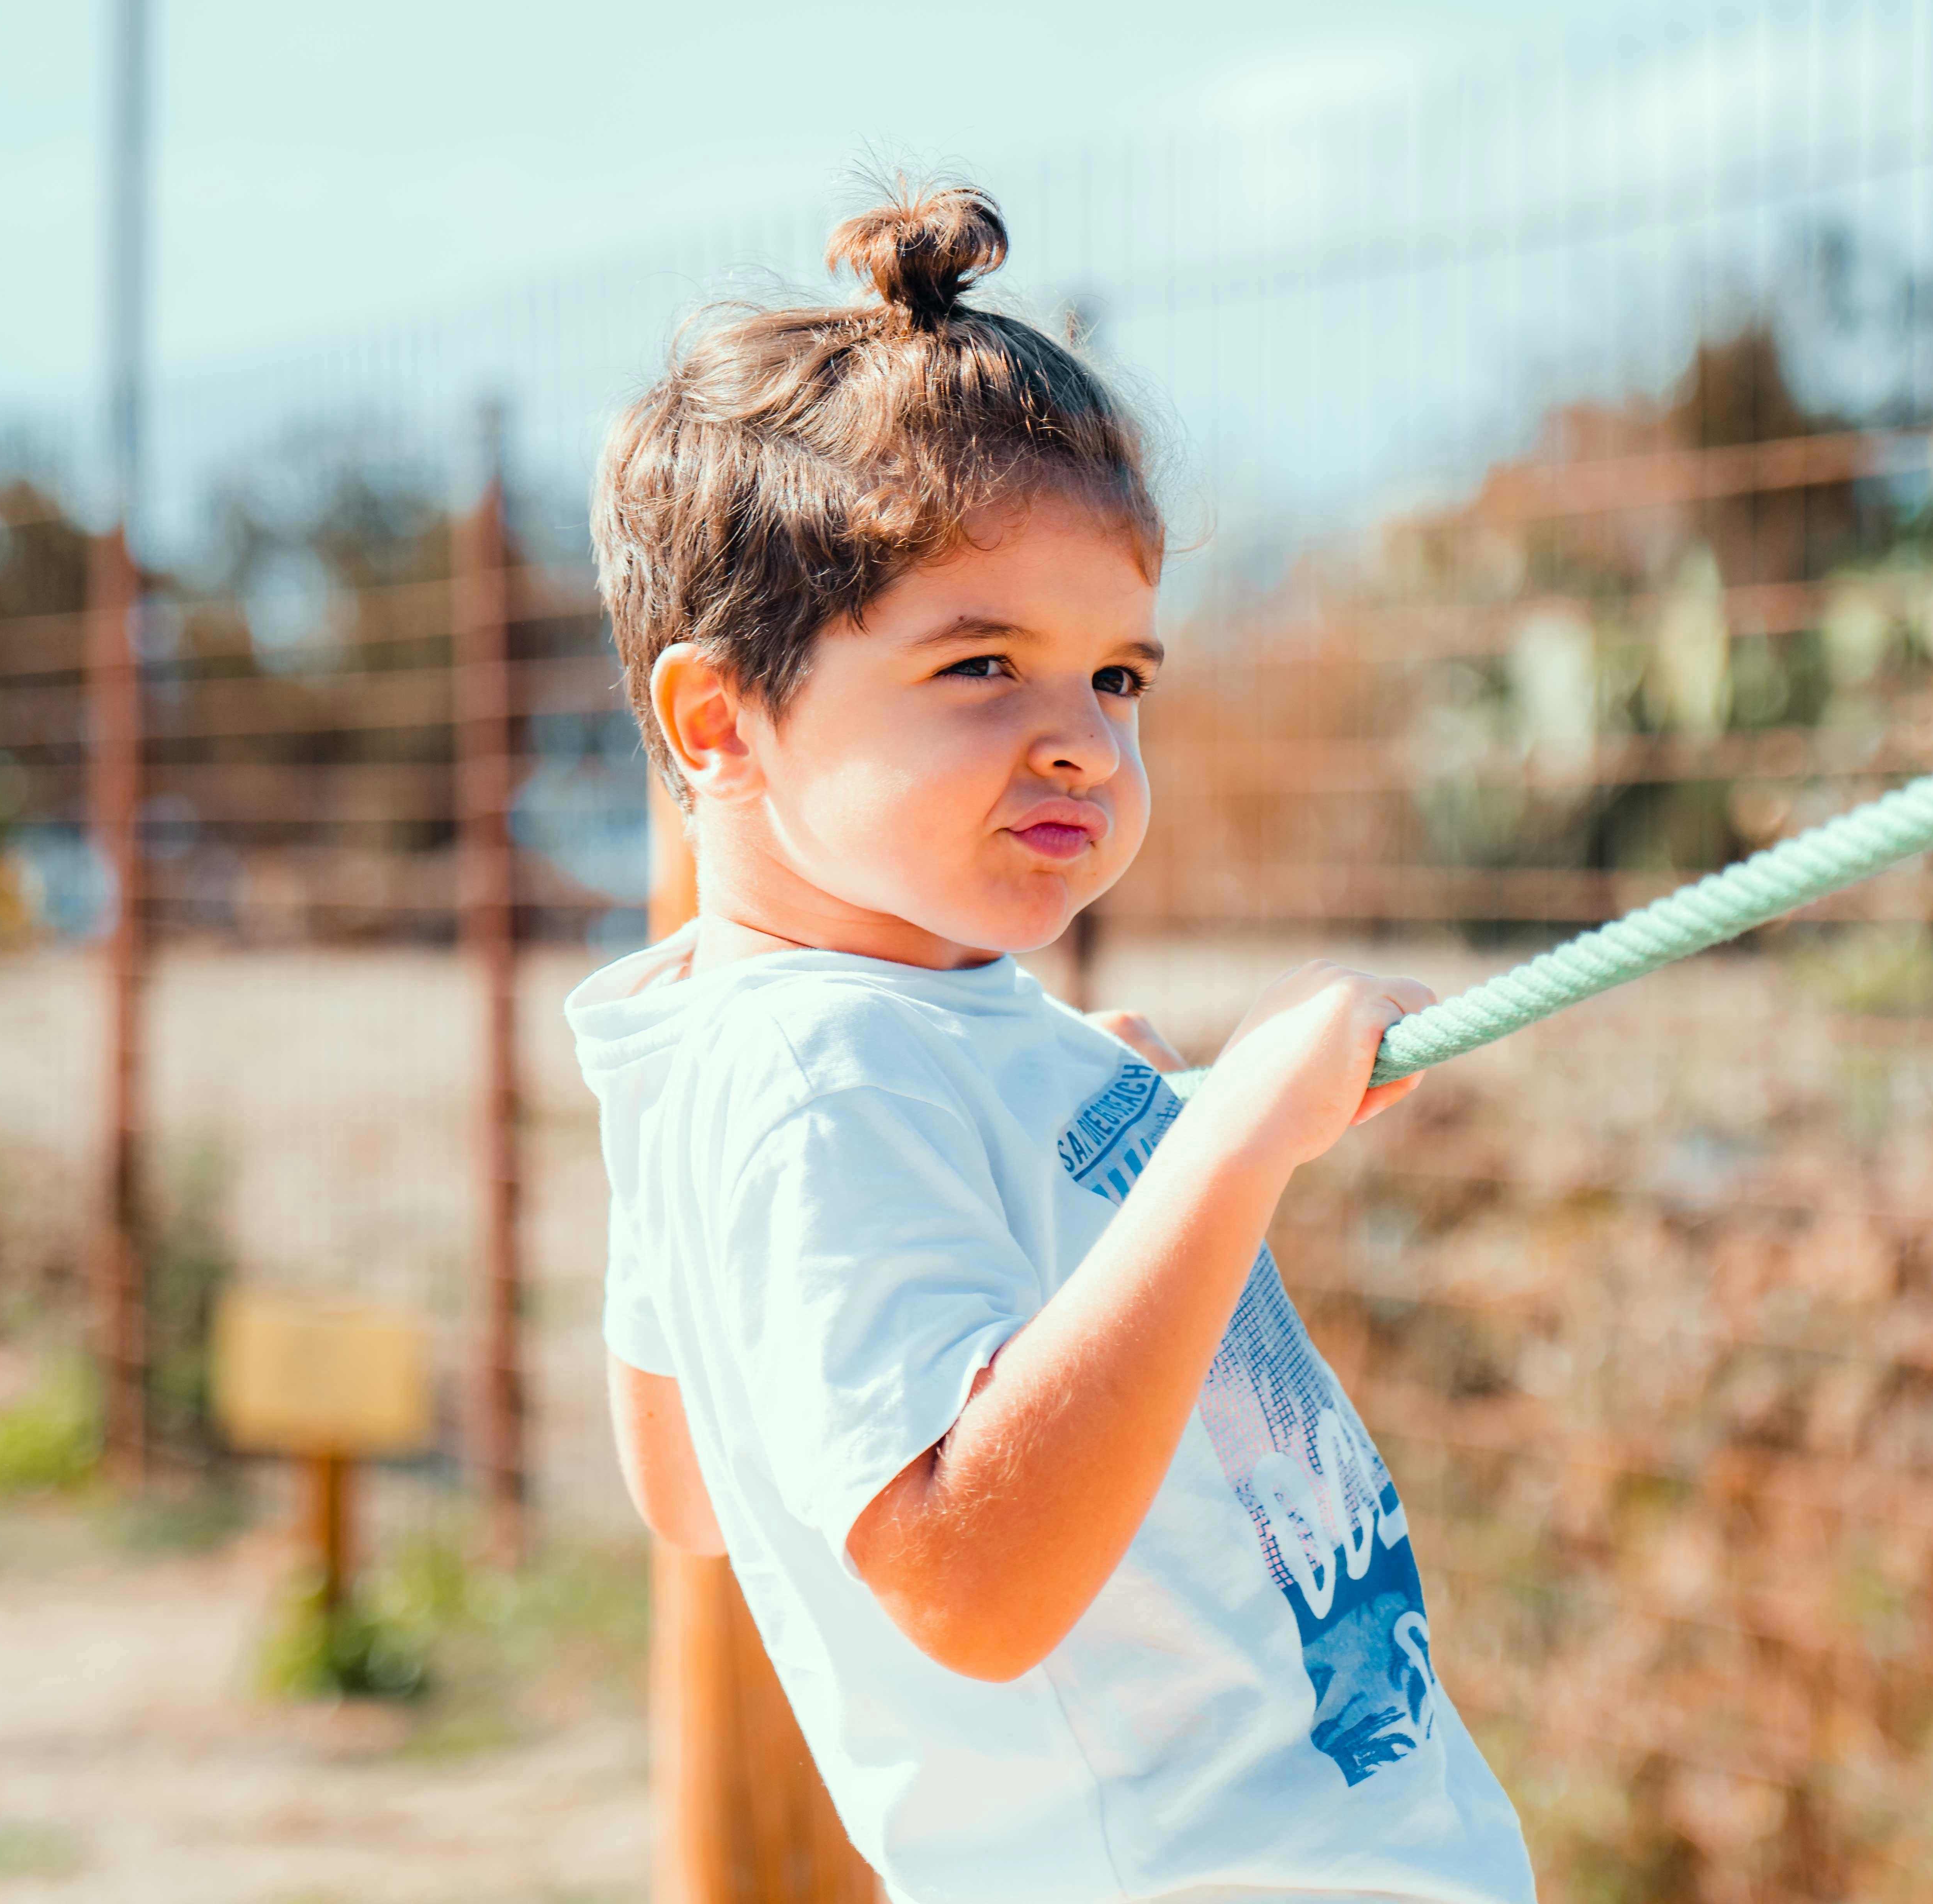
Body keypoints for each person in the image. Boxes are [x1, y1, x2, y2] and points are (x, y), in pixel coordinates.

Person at [571, 179, 1535, 1904]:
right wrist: (1235, 1145)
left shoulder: (845, 1046)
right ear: (720, 721)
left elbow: (697, 1487)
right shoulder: (817, 1074)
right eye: (984, 665)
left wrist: (1040, 1115)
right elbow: (972, 1583)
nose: (1082, 739)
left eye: (1119, 679)